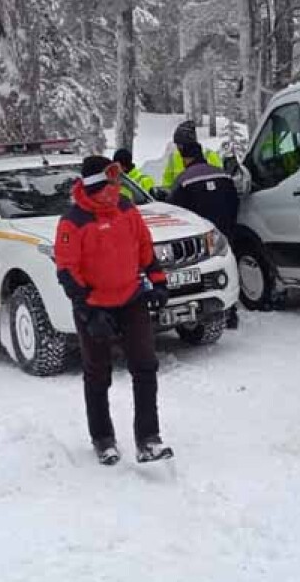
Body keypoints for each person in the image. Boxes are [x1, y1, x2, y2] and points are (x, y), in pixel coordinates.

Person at [55, 155, 175, 465]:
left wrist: (158, 282)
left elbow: (145, 248)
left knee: (145, 366)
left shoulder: (126, 209)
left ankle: (148, 439)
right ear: (97, 184)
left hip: (131, 297)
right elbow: (67, 270)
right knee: (98, 374)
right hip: (95, 306)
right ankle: (102, 439)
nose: (117, 185)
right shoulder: (73, 220)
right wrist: (87, 311)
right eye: (111, 180)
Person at [168, 141, 241, 329]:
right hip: (226, 229)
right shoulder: (222, 174)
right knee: (228, 268)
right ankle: (231, 311)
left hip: (201, 236)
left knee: (205, 274)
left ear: (187, 158)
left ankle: (204, 310)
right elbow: (235, 199)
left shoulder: (183, 180)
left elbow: (174, 210)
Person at [161, 120, 223, 188]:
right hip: (180, 196)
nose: (179, 147)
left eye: (181, 144)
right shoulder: (174, 157)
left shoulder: (209, 155)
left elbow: (220, 181)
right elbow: (166, 182)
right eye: (177, 144)